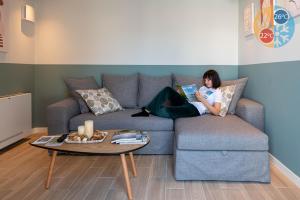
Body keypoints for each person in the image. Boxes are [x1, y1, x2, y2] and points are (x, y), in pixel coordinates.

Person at [131, 69, 222, 119]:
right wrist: (183, 93)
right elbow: (194, 98)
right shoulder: (203, 88)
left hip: (194, 110)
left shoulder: (217, 92)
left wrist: (202, 100)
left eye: (208, 80)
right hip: (188, 102)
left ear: (214, 79)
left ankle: (148, 110)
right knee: (168, 90)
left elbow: (216, 112)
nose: (206, 82)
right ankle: (147, 110)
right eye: (205, 79)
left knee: (165, 110)